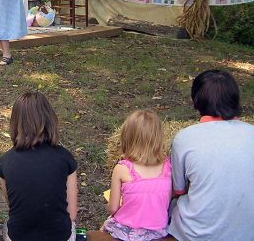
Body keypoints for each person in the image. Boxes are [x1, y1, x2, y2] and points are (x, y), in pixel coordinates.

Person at [169, 69, 254, 240]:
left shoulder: (185, 138)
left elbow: (178, 190)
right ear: (235, 99)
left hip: (196, 234)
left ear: (197, 100)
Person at [0, 90, 78, 241]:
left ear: (15, 123)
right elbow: (72, 214)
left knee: (8, 224)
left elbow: (13, 206)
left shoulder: (5, 161)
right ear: (50, 119)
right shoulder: (65, 158)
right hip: (60, 236)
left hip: (19, 236)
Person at [101, 109, 171, 240]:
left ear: (127, 137)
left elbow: (113, 208)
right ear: (159, 138)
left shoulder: (122, 168)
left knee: (105, 226)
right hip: (158, 231)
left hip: (127, 232)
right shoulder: (168, 167)